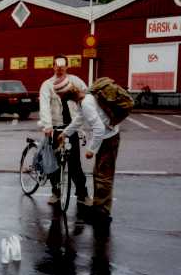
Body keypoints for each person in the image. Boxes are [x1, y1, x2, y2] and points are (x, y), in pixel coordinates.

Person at [55, 74, 121, 228]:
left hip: (109, 139)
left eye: (61, 96)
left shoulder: (86, 103)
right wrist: (65, 133)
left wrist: (91, 149)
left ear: (67, 94)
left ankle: (103, 215)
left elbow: (98, 128)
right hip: (106, 138)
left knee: (103, 177)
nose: (61, 99)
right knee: (99, 175)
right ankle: (99, 211)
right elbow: (78, 120)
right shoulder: (82, 100)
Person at [37, 55, 91, 216]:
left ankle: (82, 195)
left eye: (63, 66)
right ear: (53, 66)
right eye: (57, 66)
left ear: (67, 66)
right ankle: (56, 192)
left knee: (75, 164)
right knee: (54, 164)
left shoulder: (75, 81)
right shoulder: (47, 85)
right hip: (55, 128)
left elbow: (86, 96)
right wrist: (47, 126)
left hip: (71, 128)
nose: (60, 68)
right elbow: (44, 105)